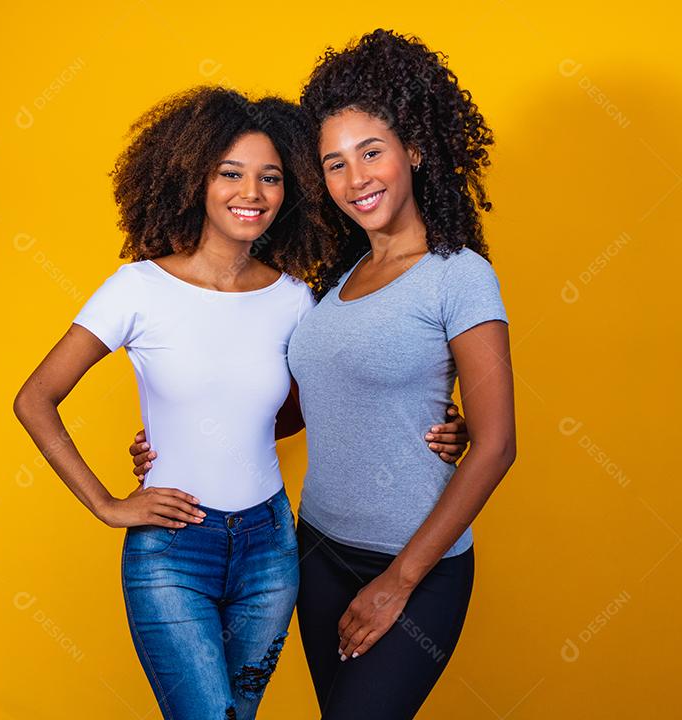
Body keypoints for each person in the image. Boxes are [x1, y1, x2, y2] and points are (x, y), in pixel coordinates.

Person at [16, 85, 467, 720]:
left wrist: (447, 422)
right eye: (230, 173)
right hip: (173, 547)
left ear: (291, 192)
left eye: (270, 178)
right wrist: (108, 505)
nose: (250, 194)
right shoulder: (137, 288)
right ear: (194, 177)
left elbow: (327, 397)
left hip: (272, 545)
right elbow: (36, 398)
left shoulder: (294, 299)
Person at [291, 29, 516, 718]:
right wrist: (180, 436)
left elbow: (498, 442)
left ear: (413, 150)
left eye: (371, 152)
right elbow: (305, 408)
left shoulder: (460, 276)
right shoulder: (337, 282)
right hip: (318, 552)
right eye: (334, 163)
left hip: (416, 570)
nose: (355, 179)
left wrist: (400, 579)